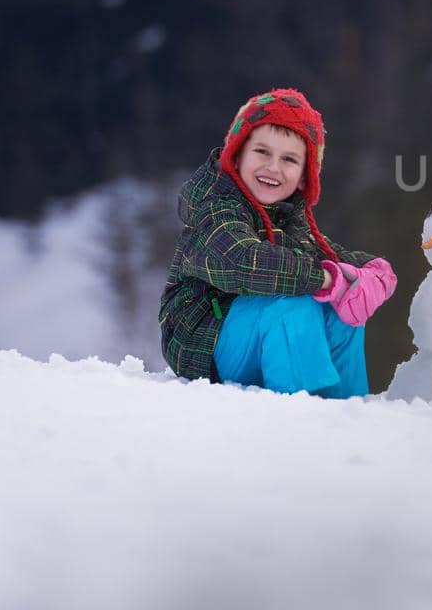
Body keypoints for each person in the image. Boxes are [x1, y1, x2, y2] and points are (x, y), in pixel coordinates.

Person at [159, 88, 395, 397]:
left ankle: (345, 408)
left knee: (343, 304)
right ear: (237, 154)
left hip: (252, 336)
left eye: (289, 159)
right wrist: (325, 278)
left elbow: (328, 253)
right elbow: (240, 260)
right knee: (293, 302)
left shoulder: (286, 217)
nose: (273, 167)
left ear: (302, 177)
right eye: (262, 152)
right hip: (203, 342)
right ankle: (298, 413)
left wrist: (373, 273)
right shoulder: (215, 207)